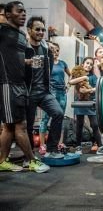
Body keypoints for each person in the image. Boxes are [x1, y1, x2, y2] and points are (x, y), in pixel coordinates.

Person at [0, 1, 49, 172]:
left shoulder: (20, 35)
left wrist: (28, 62)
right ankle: (32, 160)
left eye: (24, 11)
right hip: (7, 84)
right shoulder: (2, 31)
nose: (23, 14)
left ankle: (2, 161)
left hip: (20, 84)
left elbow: (14, 57)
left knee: (9, 127)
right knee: (20, 125)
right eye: (19, 11)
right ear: (7, 15)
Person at [25, 16, 64, 159]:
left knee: (58, 113)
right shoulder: (24, 47)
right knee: (28, 125)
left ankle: (52, 149)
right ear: (29, 30)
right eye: (37, 29)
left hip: (44, 91)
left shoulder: (46, 48)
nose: (41, 32)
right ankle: (29, 157)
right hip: (28, 92)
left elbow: (50, 68)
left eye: (42, 29)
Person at [38, 42, 71, 155]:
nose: (55, 53)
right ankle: (42, 145)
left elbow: (70, 75)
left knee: (60, 117)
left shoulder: (63, 63)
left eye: (57, 50)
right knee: (45, 119)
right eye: (52, 50)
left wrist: (68, 85)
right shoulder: (46, 63)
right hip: (50, 92)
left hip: (62, 93)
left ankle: (58, 143)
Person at [69, 57, 103, 154]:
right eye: (87, 63)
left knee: (95, 125)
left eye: (91, 64)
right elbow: (71, 82)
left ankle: (100, 146)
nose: (88, 65)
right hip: (79, 103)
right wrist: (84, 78)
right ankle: (78, 146)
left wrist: (91, 90)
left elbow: (98, 87)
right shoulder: (77, 74)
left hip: (90, 103)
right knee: (79, 124)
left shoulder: (93, 76)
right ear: (83, 64)